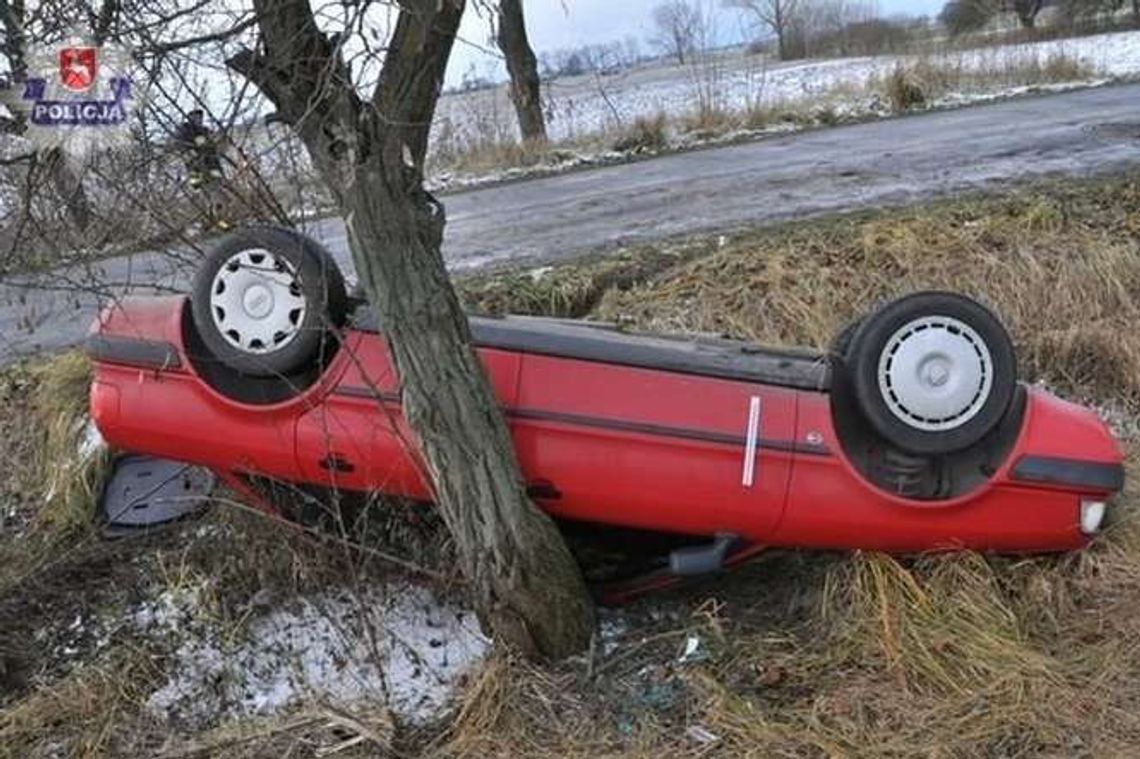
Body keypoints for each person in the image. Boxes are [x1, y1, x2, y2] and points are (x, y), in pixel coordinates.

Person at [174, 109, 230, 229]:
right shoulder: (185, 132)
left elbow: (214, 147)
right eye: (196, 117)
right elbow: (184, 148)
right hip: (197, 169)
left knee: (216, 194)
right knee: (206, 196)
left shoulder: (205, 131)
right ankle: (212, 223)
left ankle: (218, 222)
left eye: (200, 117)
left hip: (211, 167)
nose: (199, 120)